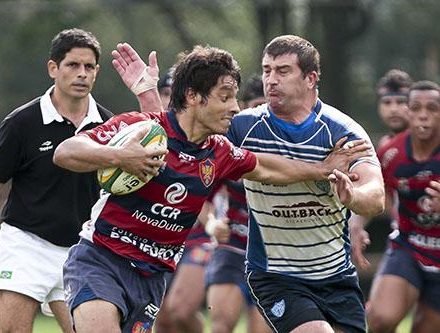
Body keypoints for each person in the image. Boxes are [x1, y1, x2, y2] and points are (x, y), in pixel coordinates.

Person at [53, 42, 371, 333]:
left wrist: (321, 168)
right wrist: (121, 156)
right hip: (101, 259)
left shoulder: (219, 151)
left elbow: (268, 167)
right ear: (193, 96)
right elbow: (66, 152)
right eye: (225, 97)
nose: (235, 107)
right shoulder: (142, 129)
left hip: (151, 277)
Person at [0, 28, 160, 333]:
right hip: (25, 243)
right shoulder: (23, 122)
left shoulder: (110, 125)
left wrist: (148, 96)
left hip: (82, 251)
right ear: (53, 68)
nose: (82, 74)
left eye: (89, 67)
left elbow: (155, 158)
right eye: (73, 65)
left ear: (97, 72)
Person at [224, 35, 385, 333]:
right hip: (276, 276)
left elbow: (375, 197)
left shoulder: (343, 132)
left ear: (310, 78)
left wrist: (352, 195)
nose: (271, 80)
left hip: (336, 277)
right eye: (267, 70)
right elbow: (188, 142)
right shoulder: (242, 127)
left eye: (283, 71)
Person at [366, 80, 440, 333]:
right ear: (408, 112)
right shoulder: (390, 153)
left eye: (432, 108)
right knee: (380, 318)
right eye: (416, 107)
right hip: (408, 245)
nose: (423, 115)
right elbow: (374, 193)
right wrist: (356, 226)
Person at [203, 73, 271, 333]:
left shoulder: (290, 148)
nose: (262, 117)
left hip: (271, 255)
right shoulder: (227, 148)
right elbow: (202, 199)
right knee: (221, 324)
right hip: (231, 246)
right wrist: (212, 226)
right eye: (255, 108)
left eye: (267, 109)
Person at [153, 70, 214, 333]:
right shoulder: (147, 135)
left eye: (172, 94)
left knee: (179, 309)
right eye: (163, 94)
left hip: (197, 238)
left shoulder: (205, 139)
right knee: (162, 319)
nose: (168, 100)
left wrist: (212, 222)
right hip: (158, 240)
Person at [350, 69, 413, 269]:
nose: (394, 109)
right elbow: (379, 191)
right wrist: (356, 226)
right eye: (387, 102)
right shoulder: (385, 148)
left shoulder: (430, 143)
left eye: (401, 102)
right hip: (404, 243)